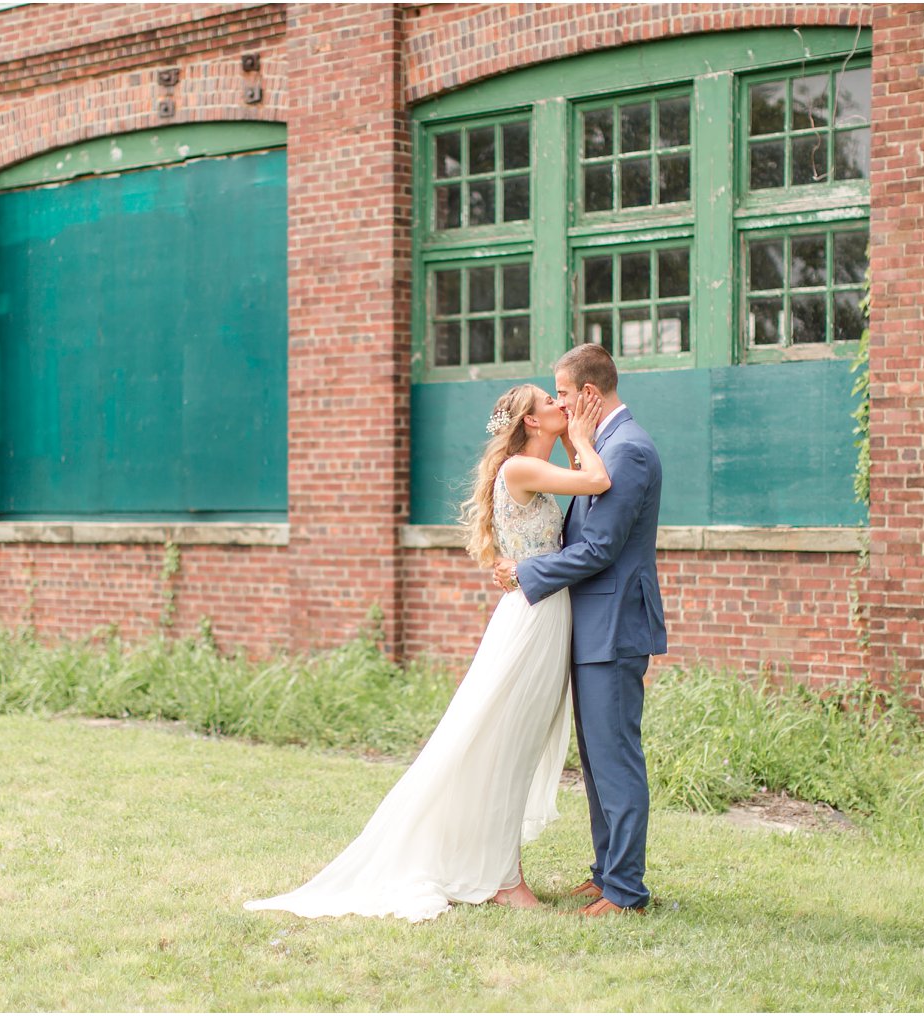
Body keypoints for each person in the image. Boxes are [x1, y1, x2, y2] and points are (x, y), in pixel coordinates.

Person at [245, 383, 610, 922]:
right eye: (550, 402)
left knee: (514, 746)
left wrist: (577, 441)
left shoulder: (532, 470)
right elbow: (599, 480)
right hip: (531, 622)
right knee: (502, 746)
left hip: (545, 615)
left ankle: (500, 869)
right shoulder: (518, 470)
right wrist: (582, 434)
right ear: (531, 423)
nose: (562, 405)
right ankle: (505, 879)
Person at [492, 342, 666, 917]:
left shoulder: (629, 451)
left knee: (615, 758)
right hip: (589, 626)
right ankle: (605, 871)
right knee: (596, 760)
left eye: (564, 393)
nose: (561, 405)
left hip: (613, 627)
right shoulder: (598, 448)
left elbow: (600, 547)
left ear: (589, 394)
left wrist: (525, 571)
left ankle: (625, 891)